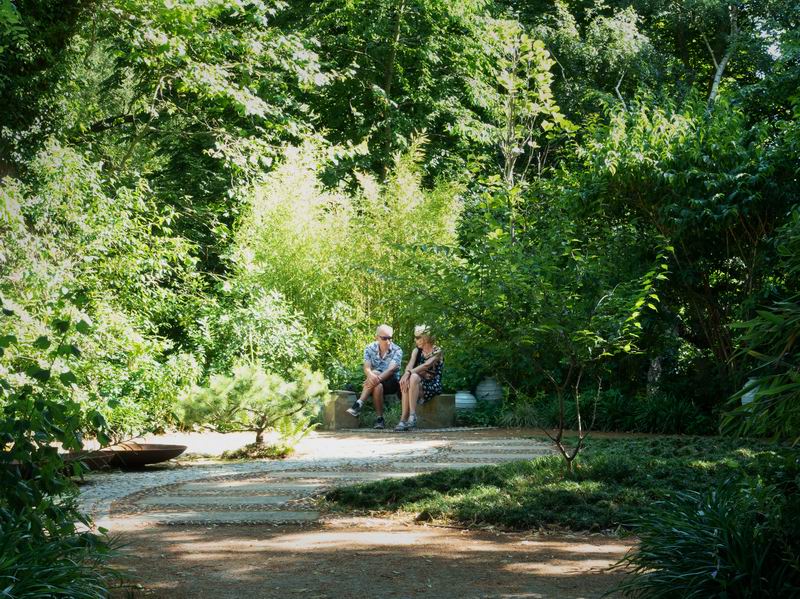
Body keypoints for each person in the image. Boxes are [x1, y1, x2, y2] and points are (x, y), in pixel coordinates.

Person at [346, 324, 403, 429]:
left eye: (390, 338)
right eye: (384, 338)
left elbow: (391, 370)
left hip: (391, 381)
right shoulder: (369, 348)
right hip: (375, 382)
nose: (388, 341)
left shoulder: (397, 350)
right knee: (378, 386)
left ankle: (359, 403)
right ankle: (380, 419)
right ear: (377, 337)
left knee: (376, 373)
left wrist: (375, 378)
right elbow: (367, 368)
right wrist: (373, 377)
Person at [396, 325, 443, 432]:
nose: (415, 340)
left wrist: (409, 373)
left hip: (432, 384)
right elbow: (410, 364)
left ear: (425, 338)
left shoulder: (437, 351)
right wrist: (406, 374)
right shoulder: (416, 351)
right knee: (408, 379)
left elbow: (426, 365)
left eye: (417, 337)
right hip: (417, 382)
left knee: (412, 376)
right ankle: (404, 418)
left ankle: (411, 415)